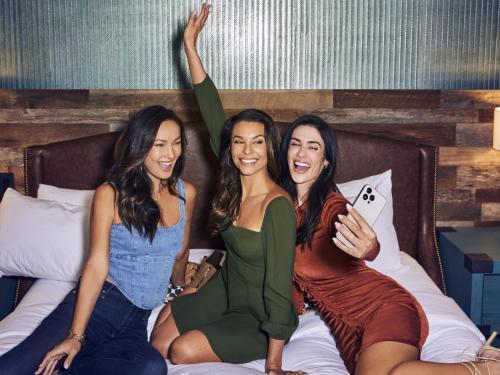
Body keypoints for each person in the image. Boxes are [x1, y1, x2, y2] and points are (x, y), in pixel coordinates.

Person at [172, 5, 500, 375]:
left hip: (381, 307)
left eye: (314, 147)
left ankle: (484, 368)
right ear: (283, 151)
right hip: (341, 324)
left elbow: (358, 235)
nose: (302, 152)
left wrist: (371, 247)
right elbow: (217, 120)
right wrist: (191, 50)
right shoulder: (270, 197)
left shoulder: (330, 205)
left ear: (325, 162)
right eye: (296, 143)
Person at [150, 6, 303, 375]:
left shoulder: (277, 206)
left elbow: (280, 286)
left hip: (259, 313)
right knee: (157, 344)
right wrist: (190, 46)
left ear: (269, 148)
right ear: (230, 148)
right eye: (238, 142)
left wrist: (275, 365)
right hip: (225, 288)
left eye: (256, 142)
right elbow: (211, 109)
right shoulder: (233, 181)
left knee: (181, 352)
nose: (247, 151)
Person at [0, 105, 197, 375]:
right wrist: (75, 336)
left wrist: (184, 281)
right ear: (140, 148)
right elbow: (95, 265)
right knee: (12, 369)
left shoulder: (188, 194)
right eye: (159, 144)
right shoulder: (110, 194)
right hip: (96, 308)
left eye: (176, 143)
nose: (170, 153)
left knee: (151, 368)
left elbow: (179, 254)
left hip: (134, 323)